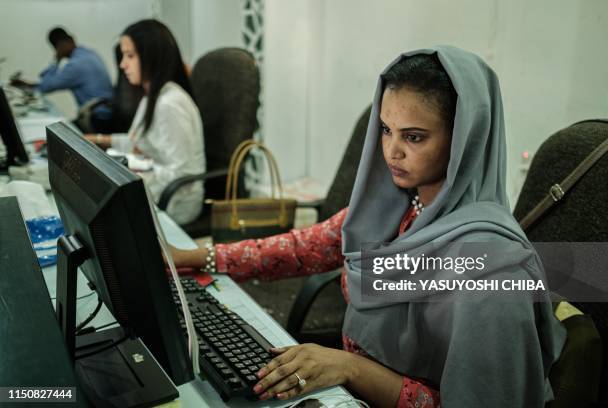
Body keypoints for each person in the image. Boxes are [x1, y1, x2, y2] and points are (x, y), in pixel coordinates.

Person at [169, 46, 567, 407]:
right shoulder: (403, 204)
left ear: (465, 139)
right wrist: (193, 257)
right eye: (385, 130)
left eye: (414, 137)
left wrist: (351, 369)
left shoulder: (491, 266)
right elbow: (308, 246)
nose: (391, 152)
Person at [86, 19, 205, 225]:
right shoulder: (153, 96)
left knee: (95, 212)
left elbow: (182, 173)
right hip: (156, 187)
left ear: (152, 57)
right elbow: (138, 142)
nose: (123, 65)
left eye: (130, 56)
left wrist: (136, 165)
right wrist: (96, 139)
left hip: (176, 201)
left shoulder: (170, 104)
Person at [11, 27, 114, 133]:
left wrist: (56, 61)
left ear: (59, 46)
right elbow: (45, 84)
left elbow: (45, 87)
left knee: (53, 134)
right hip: (107, 114)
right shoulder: (89, 53)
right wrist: (29, 85)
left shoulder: (75, 65)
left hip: (98, 121)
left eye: (56, 47)